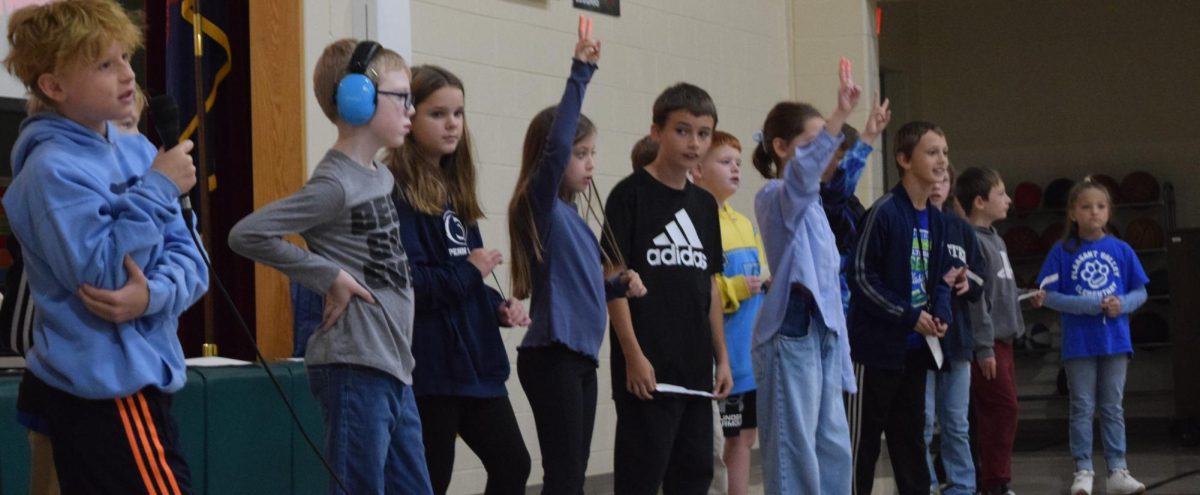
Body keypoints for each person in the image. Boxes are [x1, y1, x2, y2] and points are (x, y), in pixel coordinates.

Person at [2, 1, 208, 492]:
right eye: (103, 65)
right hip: (109, 385)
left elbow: (193, 255)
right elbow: (103, 275)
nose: (127, 76)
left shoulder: (137, 149)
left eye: (124, 58)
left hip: (142, 372)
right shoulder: (51, 170)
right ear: (54, 86)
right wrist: (158, 188)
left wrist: (152, 295)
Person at [229, 38, 432, 494]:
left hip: (394, 366)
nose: (411, 110)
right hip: (354, 365)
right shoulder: (334, 183)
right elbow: (246, 234)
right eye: (402, 97)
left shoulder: (381, 176)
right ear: (356, 99)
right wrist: (329, 276)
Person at [507, 18, 646, 494]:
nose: (590, 162)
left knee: (572, 477)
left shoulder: (571, 218)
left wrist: (617, 285)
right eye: (580, 153)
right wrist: (580, 73)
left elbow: (577, 286)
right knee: (565, 478)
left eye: (592, 153)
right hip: (554, 357)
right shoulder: (540, 203)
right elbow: (556, 146)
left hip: (579, 357)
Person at [384, 63, 532, 495]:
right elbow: (411, 284)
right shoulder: (394, 189)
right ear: (410, 118)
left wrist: (495, 306)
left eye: (459, 113)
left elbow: (466, 276)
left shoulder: (455, 186)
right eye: (438, 114)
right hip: (431, 363)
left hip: (474, 360)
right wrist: (471, 270)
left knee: (513, 464)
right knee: (432, 479)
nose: (452, 124)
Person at [601, 81, 732, 494]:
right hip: (649, 373)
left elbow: (708, 286)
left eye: (703, 133)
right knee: (640, 481)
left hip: (696, 373)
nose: (694, 142)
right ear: (657, 132)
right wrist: (632, 355)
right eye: (682, 130)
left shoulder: (705, 204)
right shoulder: (629, 195)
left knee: (694, 480)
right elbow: (613, 283)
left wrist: (722, 358)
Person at [750, 58, 865, 494]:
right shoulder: (776, 194)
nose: (827, 151)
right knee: (793, 448)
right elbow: (801, 177)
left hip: (823, 332)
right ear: (781, 147)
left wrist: (863, 133)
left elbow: (835, 175)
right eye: (814, 142)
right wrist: (838, 116)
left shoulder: (815, 204)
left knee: (833, 444)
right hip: (791, 329)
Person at [846, 120, 958, 495]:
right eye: (932, 152)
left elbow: (941, 277)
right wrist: (910, 316)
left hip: (915, 353)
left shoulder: (939, 220)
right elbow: (861, 278)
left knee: (911, 445)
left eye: (944, 152)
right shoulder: (884, 212)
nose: (942, 160)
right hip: (874, 352)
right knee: (861, 446)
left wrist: (940, 312)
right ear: (904, 159)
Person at [1035, 177, 1149, 495]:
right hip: (1079, 343)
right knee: (1082, 406)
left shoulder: (1121, 250)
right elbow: (1047, 295)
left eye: (1100, 206)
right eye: (1086, 207)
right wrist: (1086, 305)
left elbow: (1140, 292)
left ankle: (1117, 469)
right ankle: (1083, 468)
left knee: (1113, 406)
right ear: (1073, 213)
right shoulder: (1062, 251)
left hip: (1115, 341)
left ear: (1109, 212)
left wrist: (1122, 304)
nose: (1093, 212)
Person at [691, 130, 761, 495]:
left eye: (738, 162)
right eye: (725, 162)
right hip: (722, 359)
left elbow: (759, 280)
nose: (735, 168)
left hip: (747, 359)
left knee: (745, 438)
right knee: (724, 439)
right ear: (698, 169)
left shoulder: (744, 222)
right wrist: (736, 289)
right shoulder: (699, 222)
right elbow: (704, 289)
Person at [956, 166, 1025, 495]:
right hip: (988, 345)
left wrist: (1025, 298)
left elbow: (1000, 293)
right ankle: (994, 482)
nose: (1008, 199)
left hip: (1005, 341)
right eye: (1001, 194)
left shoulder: (995, 239)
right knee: (1001, 410)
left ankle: (993, 480)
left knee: (1001, 410)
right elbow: (975, 301)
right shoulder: (972, 241)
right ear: (980, 202)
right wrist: (983, 347)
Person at [923, 164, 984, 495]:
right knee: (922, 421)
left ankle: (962, 484)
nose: (937, 185)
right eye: (931, 179)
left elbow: (980, 276)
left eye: (943, 180)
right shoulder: (913, 224)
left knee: (956, 422)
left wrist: (965, 281)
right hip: (921, 337)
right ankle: (927, 483)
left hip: (957, 338)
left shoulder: (961, 228)